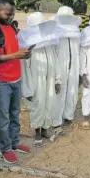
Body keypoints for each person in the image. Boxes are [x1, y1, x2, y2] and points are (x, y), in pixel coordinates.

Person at [0, 0, 31, 164]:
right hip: (1, 81)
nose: (10, 17)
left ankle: (15, 142)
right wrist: (14, 56)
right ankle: (5, 148)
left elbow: (13, 49)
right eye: (7, 14)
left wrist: (23, 54)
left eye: (13, 14)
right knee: (3, 117)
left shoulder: (12, 28)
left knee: (15, 114)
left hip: (15, 78)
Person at [21, 12, 61, 146]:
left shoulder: (49, 43)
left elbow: (56, 62)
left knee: (50, 103)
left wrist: (57, 80)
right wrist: (27, 90)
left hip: (50, 79)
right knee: (37, 105)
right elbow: (25, 70)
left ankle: (45, 130)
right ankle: (37, 132)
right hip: (35, 82)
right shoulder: (27, 47)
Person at [52, 6, 82, 134]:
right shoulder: (54, 31)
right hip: (60, 67)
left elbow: (78, 50)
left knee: (72, 91)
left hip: (73, 66)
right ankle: (56, 121)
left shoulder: (75, 31)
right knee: (59, 93)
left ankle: (68, 116)